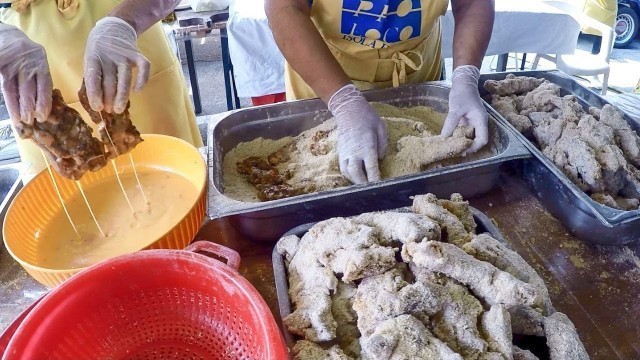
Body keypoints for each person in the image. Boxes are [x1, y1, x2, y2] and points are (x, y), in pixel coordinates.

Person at [266, 0, 494, 184]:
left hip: (416, 82)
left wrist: (465, 75)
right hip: (325, 83)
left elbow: (472, 3)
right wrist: (343, 101)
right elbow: (284, 8)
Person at [0, 0, 203, 182]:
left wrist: (123, 23)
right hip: (24, 69)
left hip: (131, 28)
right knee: (62, 203)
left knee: (176, 177)